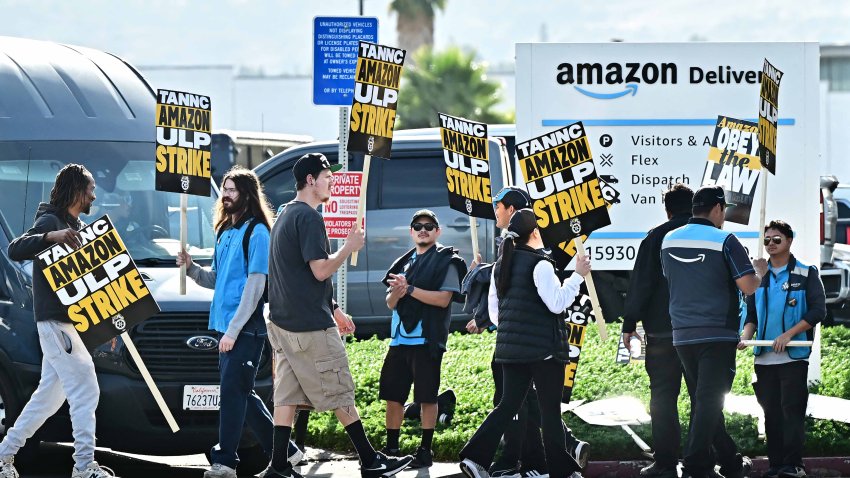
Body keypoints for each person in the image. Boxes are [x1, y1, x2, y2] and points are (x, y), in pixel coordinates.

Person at [264, 153, 413, 478]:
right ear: (310, 180)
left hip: (281, 324)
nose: (331, 181)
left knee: (286, 395)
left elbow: (295, 275)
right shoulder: (308, 217)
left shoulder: (284, 215)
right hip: (309, 327)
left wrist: (333, 308)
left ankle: (277, 466)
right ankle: (371, 461)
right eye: (327, 176)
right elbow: (319, 271)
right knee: (339, 389)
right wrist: (348, 246)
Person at [176, 167, 301, 478]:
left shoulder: (258, 232)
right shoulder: (224, 232)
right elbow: (216, 279)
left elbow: (256, 285)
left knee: (232, 395)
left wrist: (233, 331)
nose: (226, 195)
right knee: (243, 393)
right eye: (225, 189)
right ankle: (285, 452)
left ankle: (226, 461)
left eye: (232, 189)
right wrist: (191, 268)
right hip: (224, 328)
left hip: (245, 330)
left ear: (246, 194)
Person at [0, 164, 117, 478]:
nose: (94, 194)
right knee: (86, 390)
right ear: (77, 191)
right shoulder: (52, 221)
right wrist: (51, 235)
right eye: (91, 188)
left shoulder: (75, 225)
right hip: (57, 324)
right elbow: (14, 249)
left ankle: (4, 455)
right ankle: (83, 466)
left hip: (69, 325)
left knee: (47, 399)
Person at [459, 208, 591, 478]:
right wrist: (577, 275)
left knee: (507, 405)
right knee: (550, 413)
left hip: (510, 350)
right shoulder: (540, 264)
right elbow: (557, 304)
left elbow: (495, 313)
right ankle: (562, 472)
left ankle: (474, 458)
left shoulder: (500, 265)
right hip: (544, 350)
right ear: (535, 233)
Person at [660, 185, 759, 478]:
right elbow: (748, 286)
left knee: (705, 401)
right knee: (708, 401)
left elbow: (671, 277)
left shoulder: (668, 239)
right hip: (717, 334)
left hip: (682, 334)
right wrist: (760, 272)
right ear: (717, 209)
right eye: (724, 211)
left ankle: (730, 461)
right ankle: (694, 464)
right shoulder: (726, 240)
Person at [380, 210, 466, 468]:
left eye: (429, 226)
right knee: (393, 396)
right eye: (418, 226)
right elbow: (390, 302)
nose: (423, 230)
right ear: (411, 232)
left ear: (438, 231)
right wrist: (398, 291)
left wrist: (411, 289)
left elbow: (443, 300)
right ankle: (392, 449)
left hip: (426, 339)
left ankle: (425, 451)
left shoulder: (447, 260)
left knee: (427, 397)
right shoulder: (403, 262)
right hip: (399, 341)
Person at [739, 220, 825, 478]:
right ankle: (776, 466)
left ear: (789, 241)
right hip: (764, 358)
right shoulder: (758, 277)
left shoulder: (805, 273)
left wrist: (788, 335)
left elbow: (818, 310)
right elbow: (751, 316)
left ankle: (794, 466)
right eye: (767, 240)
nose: (771, 244)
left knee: (792, 414)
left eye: (777, 239)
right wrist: (744, 337)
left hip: (793, 357)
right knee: (771, 415)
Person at [622, 184, 693, 478]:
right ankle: (706, 461)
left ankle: (665, 463)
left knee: (662, 399)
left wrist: (629, 326)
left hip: (663, 335)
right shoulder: (709, 236)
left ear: (667, 209)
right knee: (705, 398)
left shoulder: (654, 238)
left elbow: (641, 285)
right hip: (700, 334)